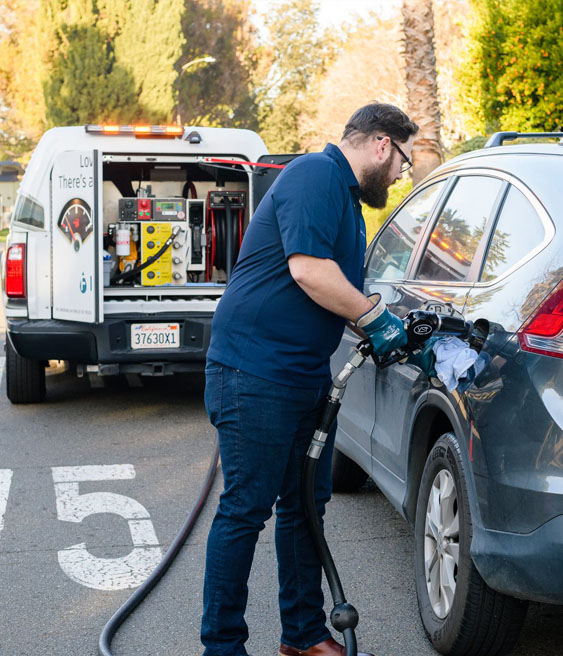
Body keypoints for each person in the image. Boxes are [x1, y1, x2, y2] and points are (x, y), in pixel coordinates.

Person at [201, 103, 425, 656]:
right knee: (245, 509)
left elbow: (337, 291)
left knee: (305, 505)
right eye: (403, 160)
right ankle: (222, 647)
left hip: (304, 376)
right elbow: (309, 270)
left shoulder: (347, 202)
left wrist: (380, 321)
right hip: (254, 372)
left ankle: (302, 636)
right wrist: (375, 319)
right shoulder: (315, 175)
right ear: (381, 144)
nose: (401, 174)